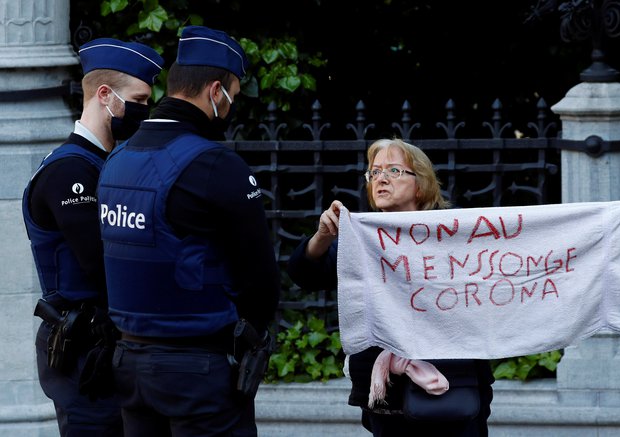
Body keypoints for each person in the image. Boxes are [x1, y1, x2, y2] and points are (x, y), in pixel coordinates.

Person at [96, 25, 281, 437]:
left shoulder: (117, 159)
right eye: (233, 93)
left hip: (129, 364)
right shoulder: (215, 164)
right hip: (198, 369)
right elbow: (260, 280)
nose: (232, 105)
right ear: (217, 91)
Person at [287, 138, 495, 436]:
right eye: (374, 172)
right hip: (387, 390)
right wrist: (321, 238)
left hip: (454, 382)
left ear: (420, 183)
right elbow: (304, 275)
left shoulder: (455, 233)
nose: (381, 178)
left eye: (394, 170)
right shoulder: (360, 238)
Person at [22, 38, 164, 436]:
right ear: (106, 96)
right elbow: (102, 264)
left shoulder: (104, 164)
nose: (145, 110)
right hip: (81, 347)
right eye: (139, 98)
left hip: (109, 343)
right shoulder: (70, 171)